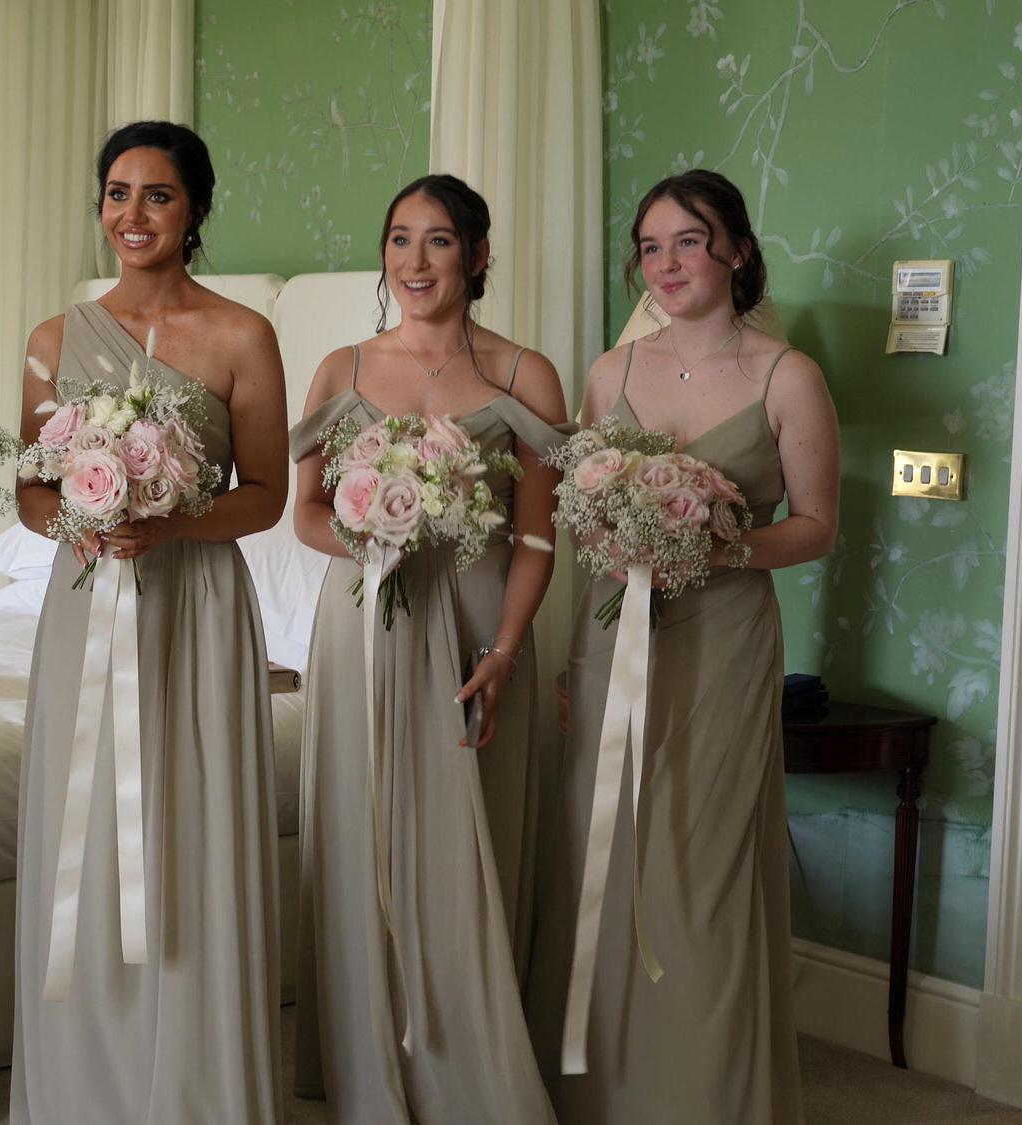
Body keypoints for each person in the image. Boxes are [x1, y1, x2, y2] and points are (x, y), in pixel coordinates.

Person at [526, 170, 839, 1124]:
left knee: (703, 867)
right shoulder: (609, 373)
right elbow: (580, 514)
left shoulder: (788, 376)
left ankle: (704, 1097)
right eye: (651, 247)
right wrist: (577, 652)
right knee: (607, 842)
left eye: (689, 242)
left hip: (724, 640)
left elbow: (816, 526)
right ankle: (600, 1091)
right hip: (610, 630)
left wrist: (718, 545)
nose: (666, 264)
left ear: (736, 250)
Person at [10, 120, 290, 1125]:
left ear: (195, 209)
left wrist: (169, 522)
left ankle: (194, 1087)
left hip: (195, 606)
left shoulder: (242, 336)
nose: (133, 215)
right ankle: (85, 1087)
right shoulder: (52, 339)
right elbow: (28, 494)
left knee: (189, 819)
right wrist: (81, 519)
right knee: (86, 828)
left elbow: (265, 494)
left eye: (158, 195)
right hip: (87, 600)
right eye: (117, 193)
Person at [289, 173, 566, 1123]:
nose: (414, 261)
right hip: (364, 620)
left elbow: (537, 537)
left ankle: (467, 1065)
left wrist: (507, 648)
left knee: (466, 845)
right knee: (363, 833)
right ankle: (365, 1059)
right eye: (399, 239)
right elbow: (306, 514)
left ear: (478, 255)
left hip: (479, 624)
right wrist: (372, 535)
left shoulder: (526, 374)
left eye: (438, 240)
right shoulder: (341, 368)